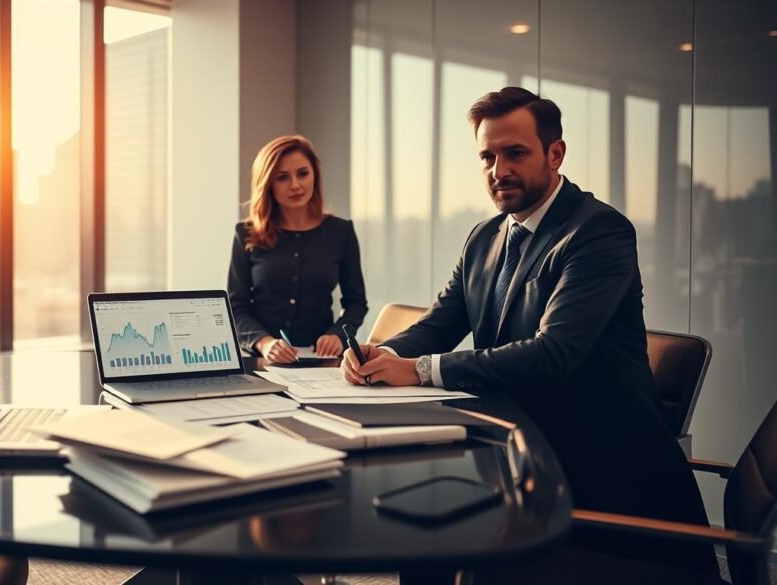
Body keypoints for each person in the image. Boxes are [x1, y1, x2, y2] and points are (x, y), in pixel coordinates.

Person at [341, 87, 718, 578]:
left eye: (515, 153)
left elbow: (552, 353)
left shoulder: (599, 232)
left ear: (554, 153)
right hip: (512, 451)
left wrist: (419, 369)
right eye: (488, 157)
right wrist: (382, 351)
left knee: (440, 535)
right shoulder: (485, 236)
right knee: (422, 528)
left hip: (599, 484)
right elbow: (441, 322)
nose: (499, 171)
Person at [228, 135, 367, 364]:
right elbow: (236, 308)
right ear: (268, 183)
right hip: (262, 362)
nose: (295, 185)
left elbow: (356, 303)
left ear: (315, 175)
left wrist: (338, 334)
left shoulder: (341, 232)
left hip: (322, 361)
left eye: (303, 173)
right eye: (282, 177)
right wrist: (265, 343)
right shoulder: (245, 233)